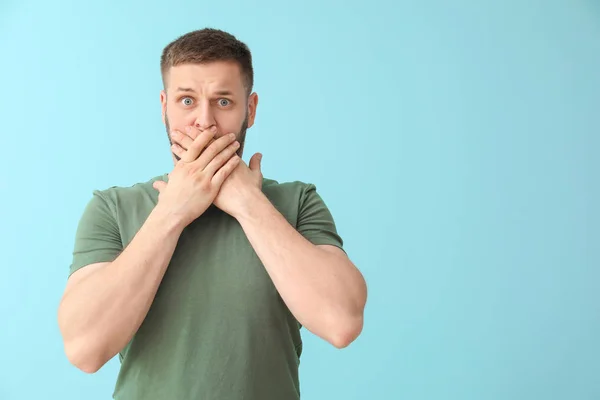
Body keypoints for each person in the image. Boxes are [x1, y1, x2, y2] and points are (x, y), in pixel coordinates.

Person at [57, 28, 367, 400]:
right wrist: (171, 212)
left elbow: (342, 323)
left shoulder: (297, 203)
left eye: (223, 102)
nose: (204, 121)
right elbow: (85, 349)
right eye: (187, 101)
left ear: (249, 110)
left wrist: (248, 204)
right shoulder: (113, 208)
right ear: (163, 107)